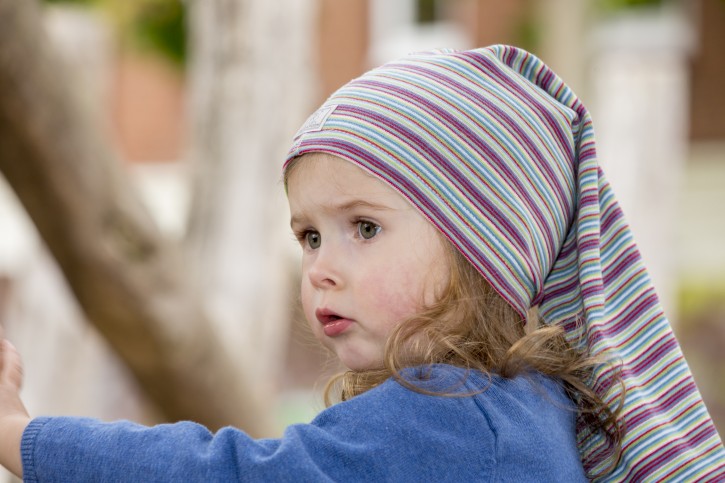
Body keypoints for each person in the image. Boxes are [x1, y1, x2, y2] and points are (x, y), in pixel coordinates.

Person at [0, 44, 723, 481]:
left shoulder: (452, 420)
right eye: (309, 235)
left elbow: (221, 474)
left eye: (364, 227)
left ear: (484, 243)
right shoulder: (529, 405)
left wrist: (19, 435)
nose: (319, 266)